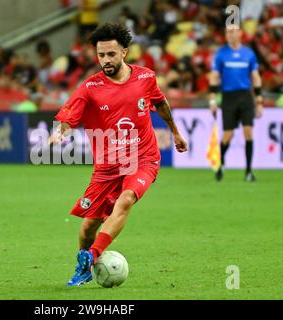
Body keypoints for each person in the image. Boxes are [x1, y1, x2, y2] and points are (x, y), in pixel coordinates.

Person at [49, 23, 188, 286]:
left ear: (124, 52)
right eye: (101, 55)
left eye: (111, 54)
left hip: (144, 158)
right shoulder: (90, 87)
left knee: (126, 200)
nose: (106, 60)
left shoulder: (146, 78)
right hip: (108, 166)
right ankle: (84, 263)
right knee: (88, 226)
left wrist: (175, 132)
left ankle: (92, 255)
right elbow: (69, 115)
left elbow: (160, 102)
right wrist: (60, 132)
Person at [209, 24, 263, 182]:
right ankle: (222, 163)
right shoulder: (221, 54)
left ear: (240, 33)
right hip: (228, 97)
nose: (229, 35)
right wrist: (212, 100)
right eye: (227, 32)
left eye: (232, 32)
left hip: (246, 96)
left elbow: (256, 76)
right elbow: (214, 77)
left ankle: (248, 171)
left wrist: (259, 100)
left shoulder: (249, 54)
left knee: (248, 132)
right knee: (228, 134)